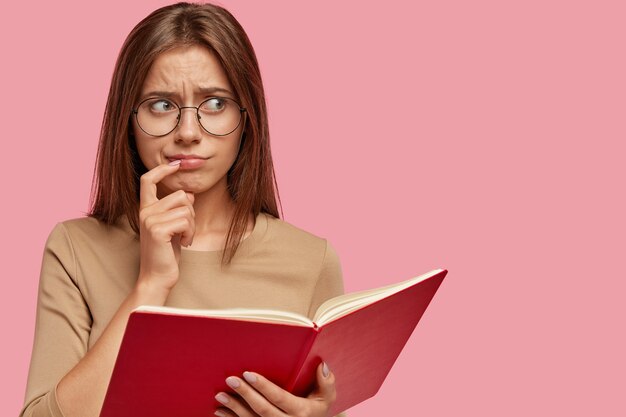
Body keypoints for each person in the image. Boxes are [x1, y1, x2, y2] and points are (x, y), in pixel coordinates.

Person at [19, 3, 347, 417]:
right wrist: (150, 284)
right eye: (161, 105)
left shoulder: (310, 260)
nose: (188, 133)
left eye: (214, 103)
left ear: (247, 119)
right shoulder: (73, 249)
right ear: (128, 119)